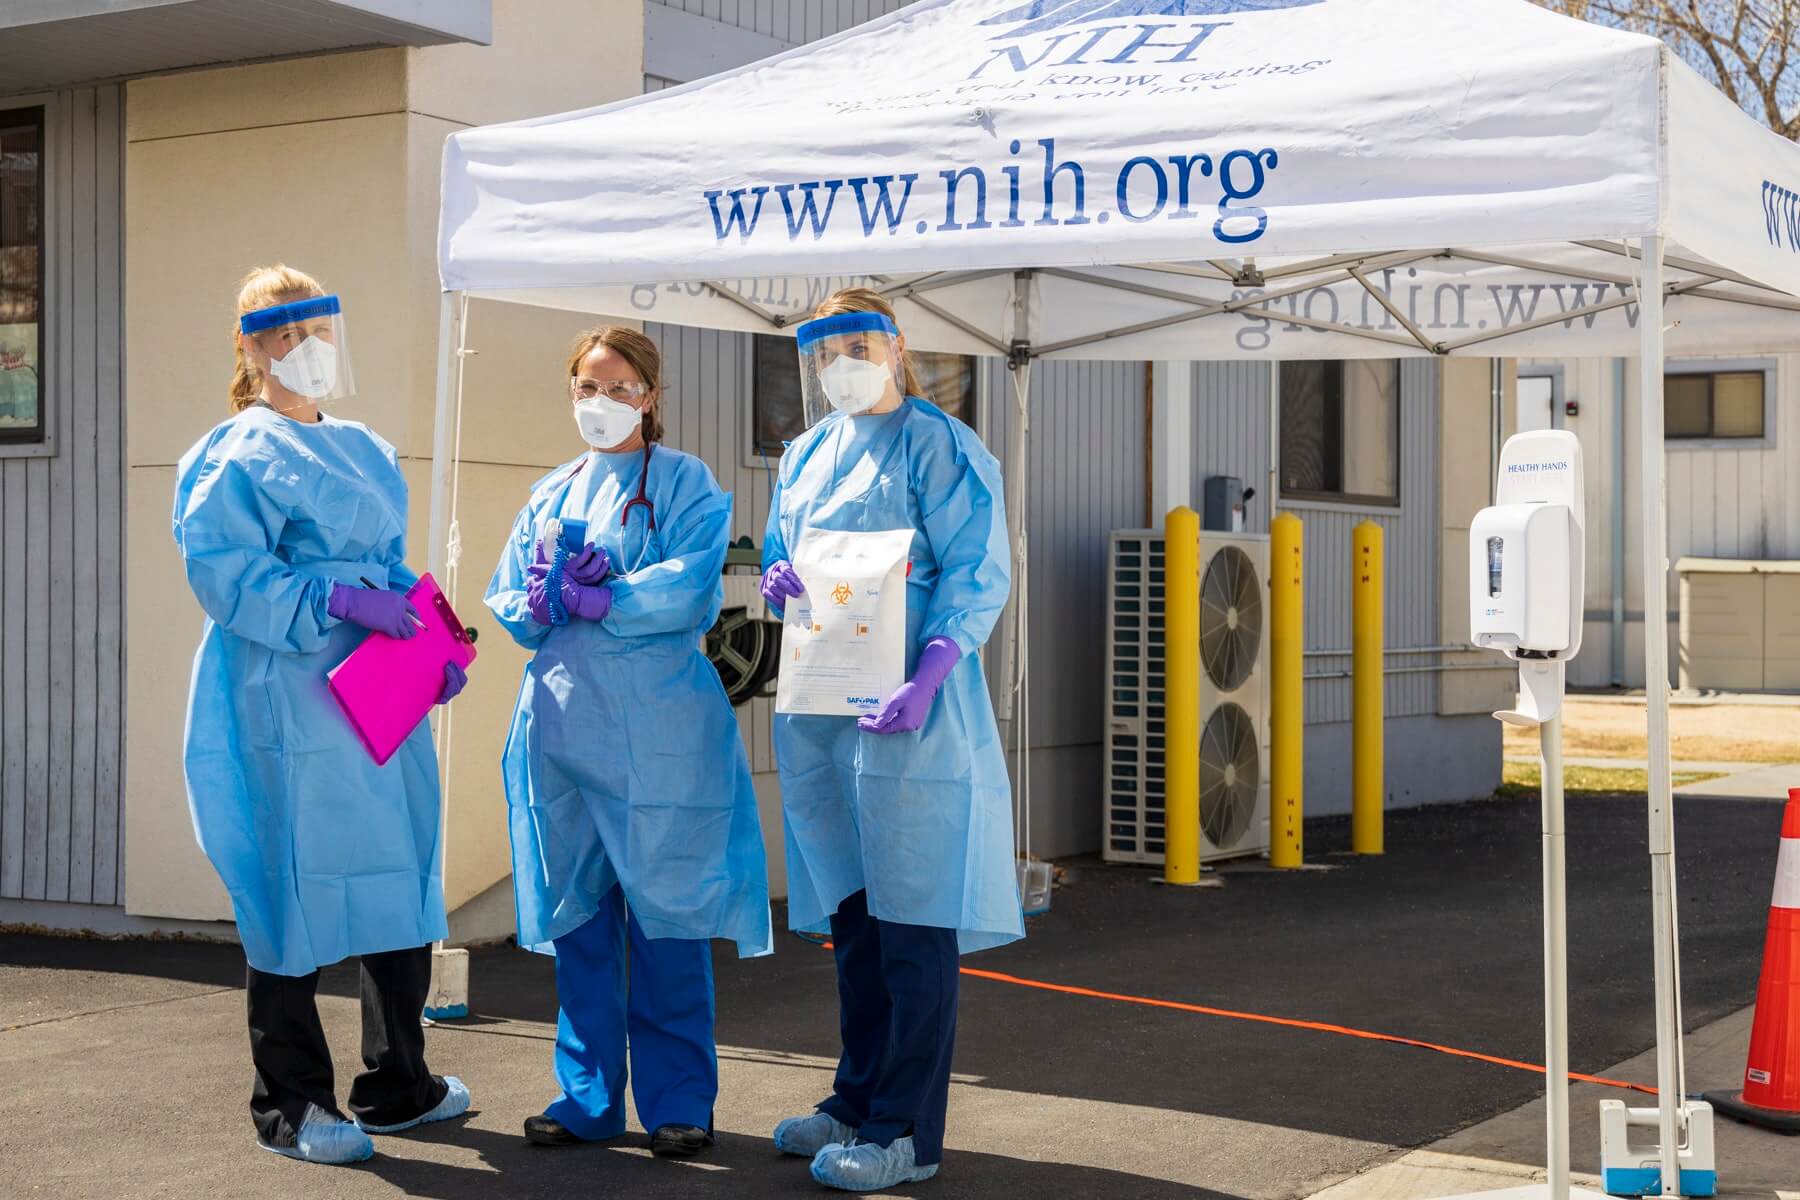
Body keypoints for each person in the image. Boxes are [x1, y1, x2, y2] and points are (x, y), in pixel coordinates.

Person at [172, 265, 470, 1166]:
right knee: (285, 885)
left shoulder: (366, 447)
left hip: (377, 694)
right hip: (284, 701)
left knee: (396, 873)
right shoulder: (228, 455)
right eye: (286, 335)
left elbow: (392, 564)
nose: (308, 351)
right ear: (250, 345)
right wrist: (339, 597)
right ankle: (294, 1104)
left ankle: (398, 1086)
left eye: (320, 332)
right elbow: (229, 577)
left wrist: (436, 647)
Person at [485, 325, 771, 1159]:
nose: (598, 404)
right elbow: (510, 595)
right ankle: (587, 1098)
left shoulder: (685, 483)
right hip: (563, 730)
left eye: (616, 388)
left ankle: (679, 1101)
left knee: (667, 919)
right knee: (578, 921)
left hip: (659, 734)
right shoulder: (552, 491)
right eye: (585, 388)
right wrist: (539, 601)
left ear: (650, 395)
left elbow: (688, 585)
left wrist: (612, 598)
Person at [760, 289, 1019, 1191]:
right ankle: (857, 1096)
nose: (844, 364)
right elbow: (780, 552)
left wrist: (931, 669)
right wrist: (778, 576)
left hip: (915, 712)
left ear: (898, 349)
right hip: (826, 715)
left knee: (913, 923)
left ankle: (907, 1128)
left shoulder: (941, 446)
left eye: (860, 344)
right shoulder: (804, 455)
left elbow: (977, 571)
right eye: (827, 351)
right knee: (856, 920)